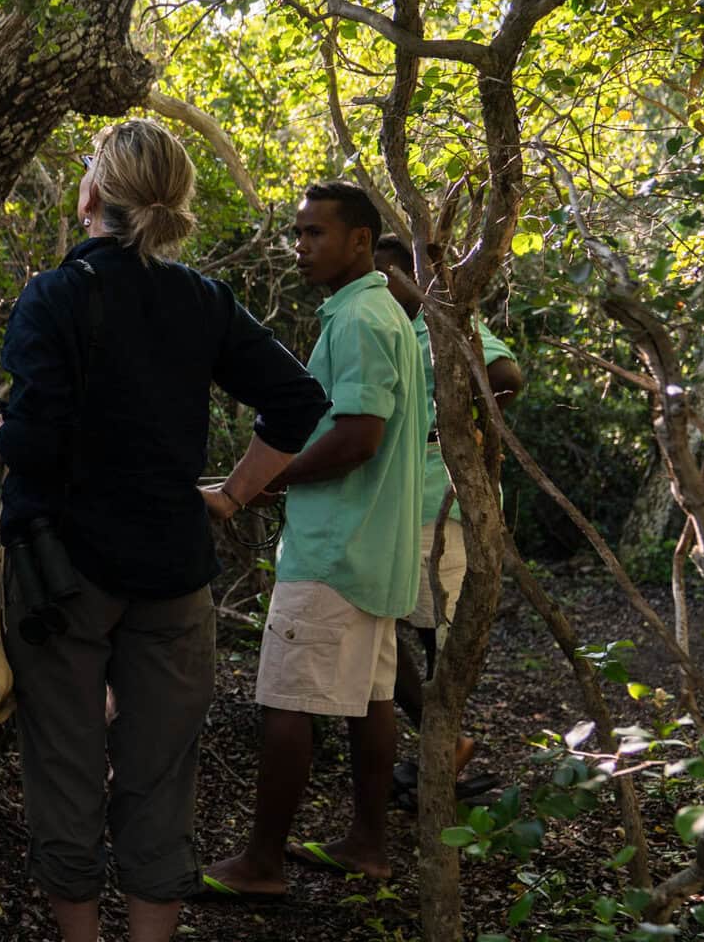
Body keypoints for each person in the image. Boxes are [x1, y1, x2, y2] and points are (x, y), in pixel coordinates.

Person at [0, 119, 329, 942]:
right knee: (161, 774)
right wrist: (233, 494)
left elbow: (33, 440)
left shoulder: (56, 296)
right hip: (175, 569)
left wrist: (3, 439)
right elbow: (298, 400)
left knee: (65, 767)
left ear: (95, 194)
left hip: (62, 574)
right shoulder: (202, 300)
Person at [205, 181, 428, 897]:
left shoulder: (362, 318)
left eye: (314, 234)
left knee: (287, 701)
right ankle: (368, 843)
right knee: (371, 699)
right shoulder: (379, 312)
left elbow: (360, 437)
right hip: (373, 549)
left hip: (336, 549)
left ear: (361, 242)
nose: (299, 248)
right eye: (296, 234)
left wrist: (275, 479)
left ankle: (261, 864)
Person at [371, 234, 524, 792]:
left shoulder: (441, 323)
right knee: (391, 622)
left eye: (388, 274)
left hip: (439, 501)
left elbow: (506, 378)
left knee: (434, 631)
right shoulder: (383, 325)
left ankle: (444, 746)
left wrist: (451, 426)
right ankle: (439, 744)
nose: (381, 285)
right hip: (404, 499)